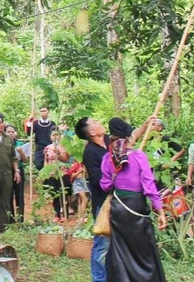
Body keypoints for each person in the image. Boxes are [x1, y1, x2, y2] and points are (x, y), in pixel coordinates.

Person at [76, 115, 149, 282]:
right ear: (92, 132)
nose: (99, 122)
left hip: (121, 202)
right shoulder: (90, 152)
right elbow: (96, 180)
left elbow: (132, 138)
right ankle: (99, 279)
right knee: (102, 245)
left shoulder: (111, 140)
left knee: (119, 244)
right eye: (95, 122)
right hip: (104, 204)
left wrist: (145, 124)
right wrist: (114, 174)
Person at [100, 117, 167, 282]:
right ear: (130, 138)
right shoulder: (139, 156)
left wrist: (144, 125)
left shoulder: (108, 158)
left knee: (120, 249)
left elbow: (105, 185)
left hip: (118, 208)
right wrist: (160, 211)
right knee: (143, 250)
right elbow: (149, 186)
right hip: (136, 207)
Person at [43, 130, 71, 222]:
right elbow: (46, 162)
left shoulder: (64, 147)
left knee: (64, 194)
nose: (55, 137)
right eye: (53, 135)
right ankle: (57, 214)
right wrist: (45, 174)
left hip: (63, 173)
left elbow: (67, 160)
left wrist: (58, 153)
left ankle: (65, 215)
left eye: (57, 135)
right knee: (54, 194)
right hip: (52, 174)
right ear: (50, 137)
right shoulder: (47, 148)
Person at [25, 106, 56, 171]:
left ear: (48, 112)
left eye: (44, 111)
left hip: (50, 147)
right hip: (40, 148)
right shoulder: (35, 123)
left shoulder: (52, 124)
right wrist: (29, 121)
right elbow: (28, 133)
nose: (43, 113)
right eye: (41, 111)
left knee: (51, 166)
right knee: (38, 164)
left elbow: (55, 135)